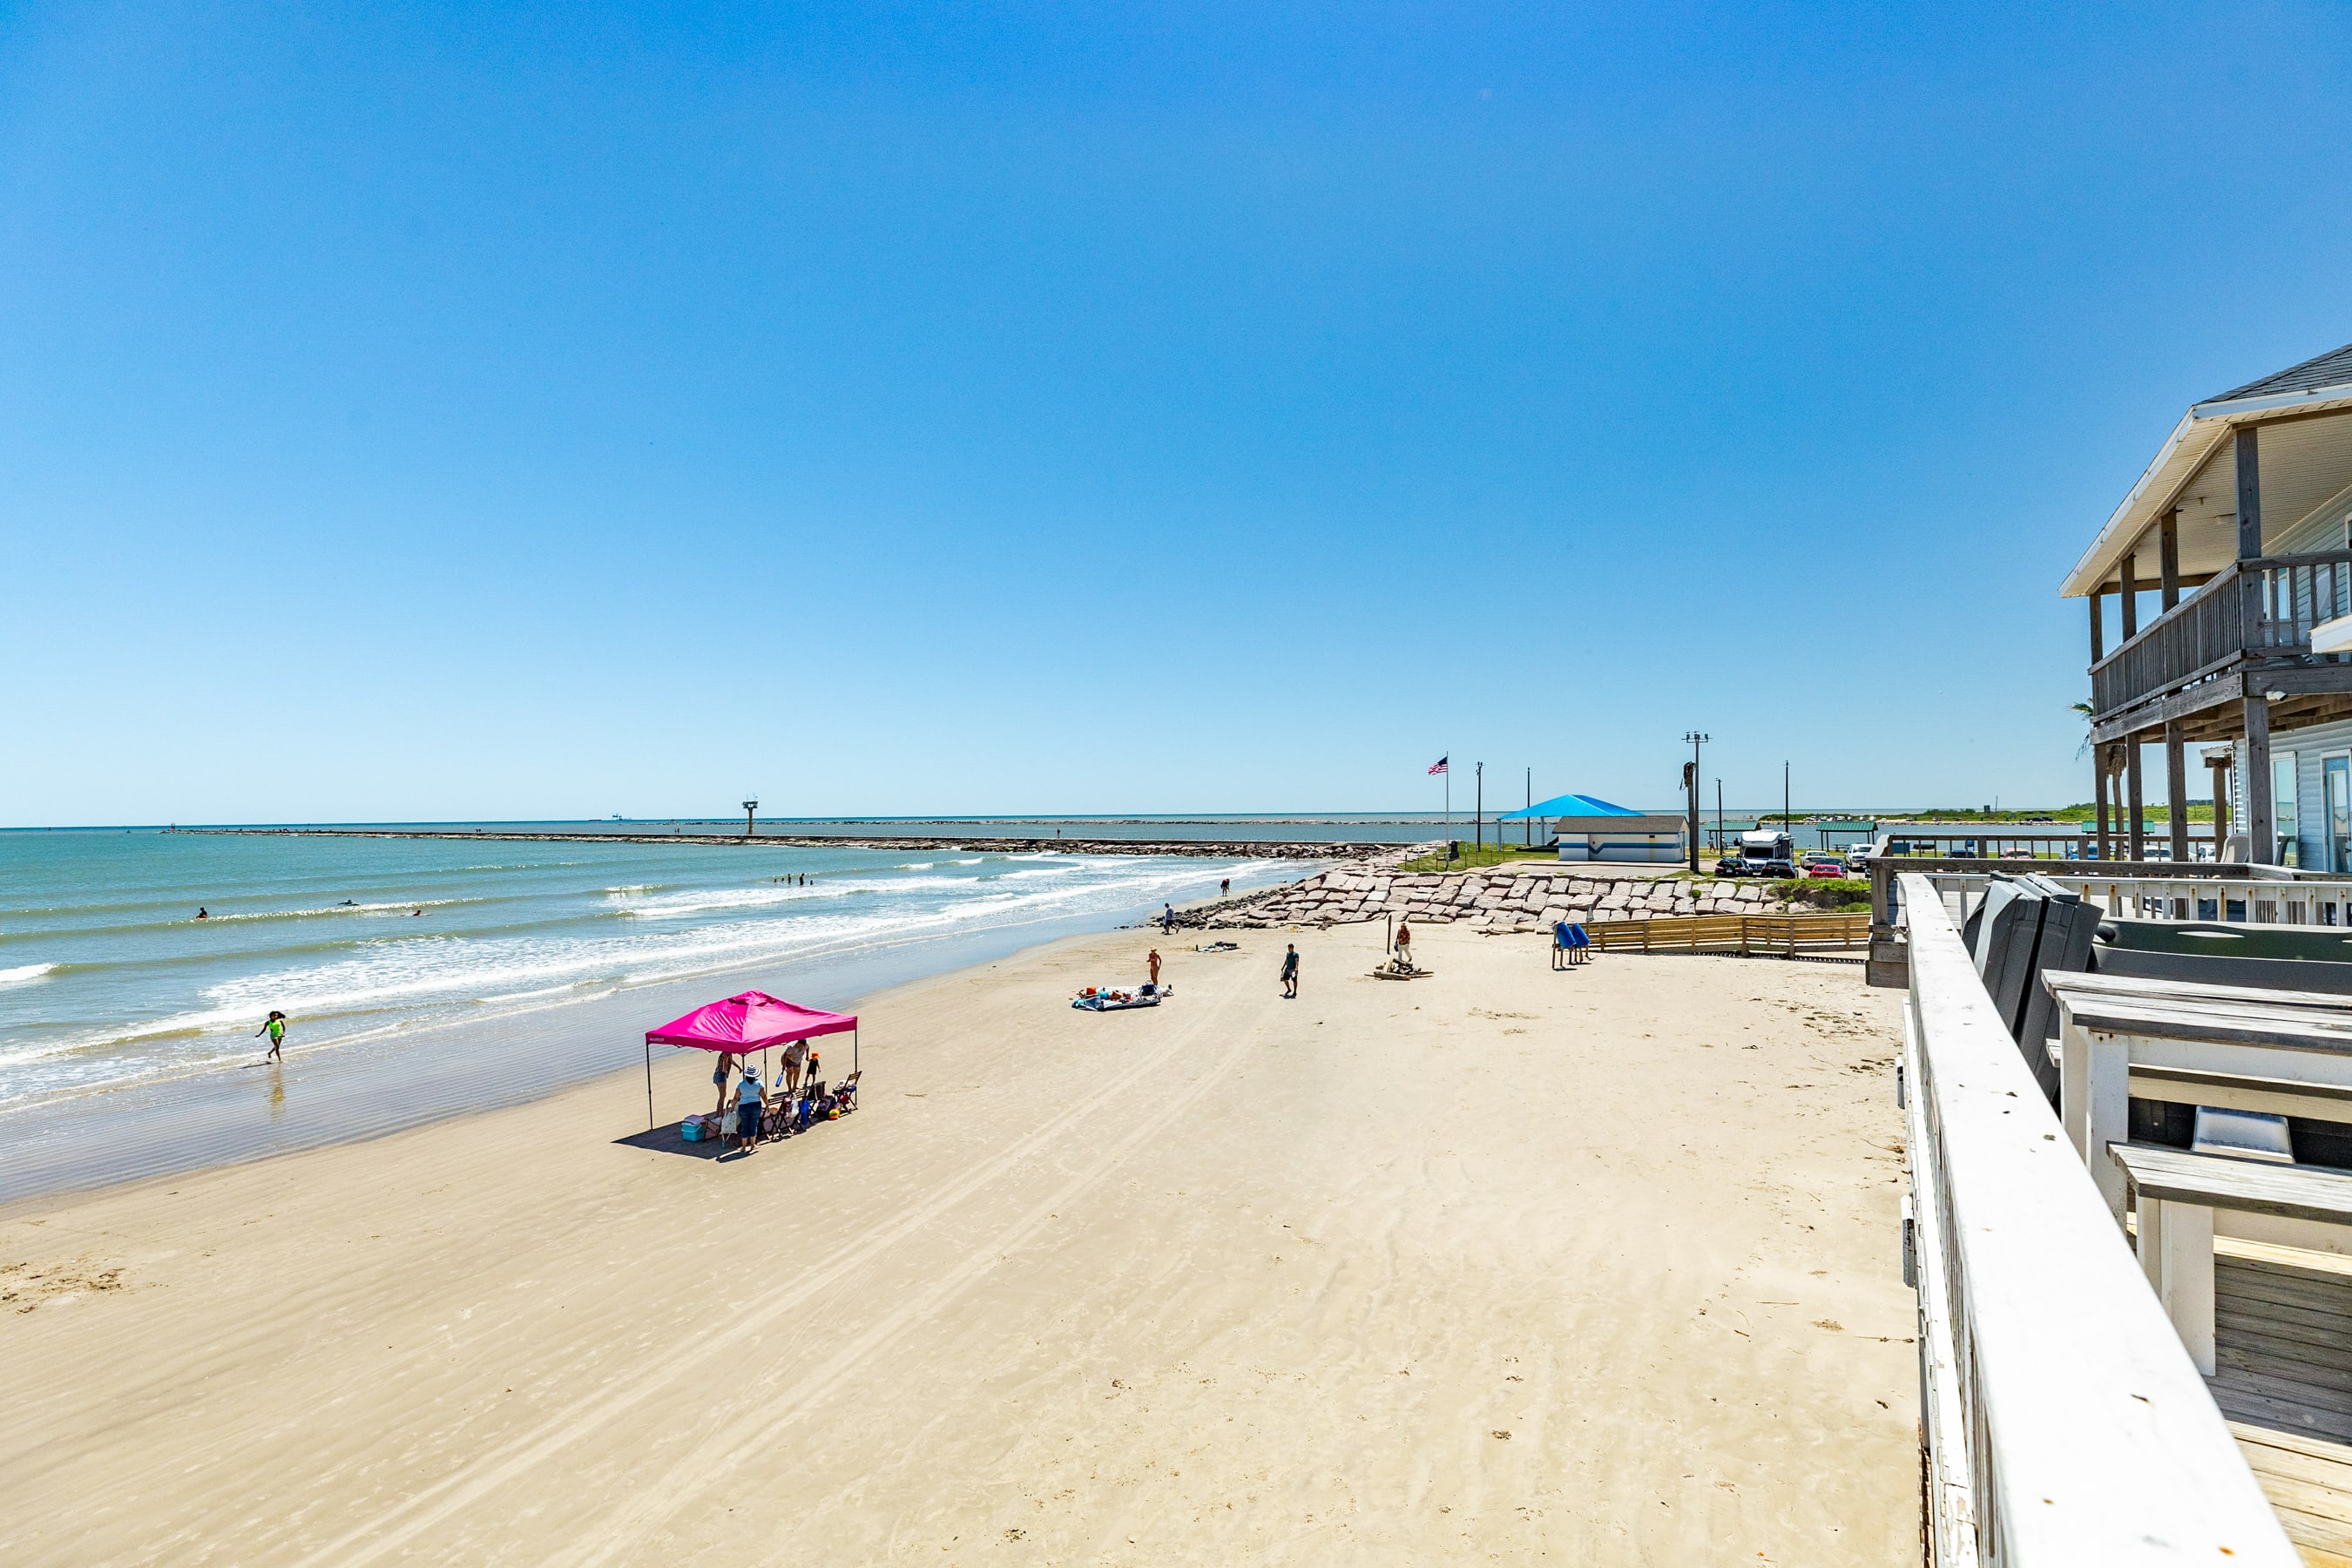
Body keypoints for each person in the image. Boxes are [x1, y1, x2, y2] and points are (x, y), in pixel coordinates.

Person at [733, 1065, 767, 1152]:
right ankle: (752, 1145)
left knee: (745, 1126)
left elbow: (736, 1097)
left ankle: (744, 1147)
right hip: (756, 1105)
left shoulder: (741, 1083)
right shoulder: (759, 1083)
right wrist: (768, 1105)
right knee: (753, 1125)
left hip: (743, 1106)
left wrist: (732, 1108)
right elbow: (763, 1096)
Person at [712, 1051, 738, 1119]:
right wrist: (724, 1069)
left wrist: (739, 1068)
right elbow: (725, 1060)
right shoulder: (727, 1053)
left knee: (723, 1095)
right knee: (722, 1096)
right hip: (721, 1075)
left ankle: (721, 1113)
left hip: (717, 1075)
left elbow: (731, 1061)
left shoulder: (725, 1052)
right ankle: (718, 1114)